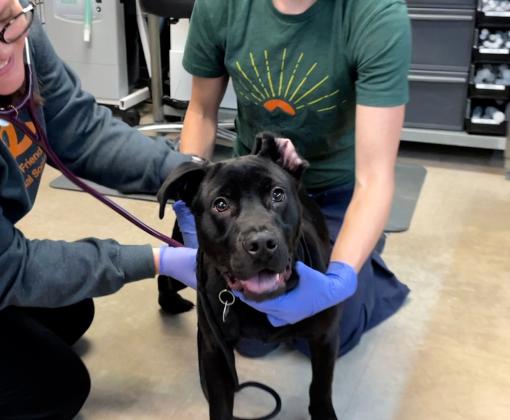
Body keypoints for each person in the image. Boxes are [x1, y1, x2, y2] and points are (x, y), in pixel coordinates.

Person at [0, 1, 362, 417]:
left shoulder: (21, 34)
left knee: (70, 312)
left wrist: (195, 177)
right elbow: (9, 268)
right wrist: (159, 260)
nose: (5, 48)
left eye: (7, 20)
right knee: (55, 388)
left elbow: (81, 129)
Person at [161, 0, 412, 358]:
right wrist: (195, 204)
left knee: (334, 328)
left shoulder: (375, 14)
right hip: (252, 190)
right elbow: (201, 111)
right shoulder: (221, 6)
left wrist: (339, 279)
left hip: (338, 190)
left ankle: (362, 254)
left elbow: (374, 178)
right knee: (248, 333)